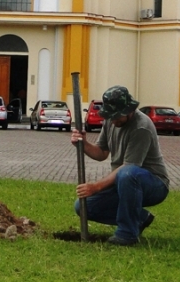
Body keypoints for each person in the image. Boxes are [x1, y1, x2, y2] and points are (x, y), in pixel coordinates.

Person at [70, 85, 169, 246]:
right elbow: (101, 153)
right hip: (124, 181)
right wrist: (83, 144)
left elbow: (128, 167)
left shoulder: (141, 127)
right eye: (111, 116)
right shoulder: (111, 121)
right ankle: (138, 219)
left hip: (154, 184)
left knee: (128, 173)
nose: (114, 120)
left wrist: (96, 187)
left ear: (129, 109)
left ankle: (127, 234)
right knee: (83, 207)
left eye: (118, 116)